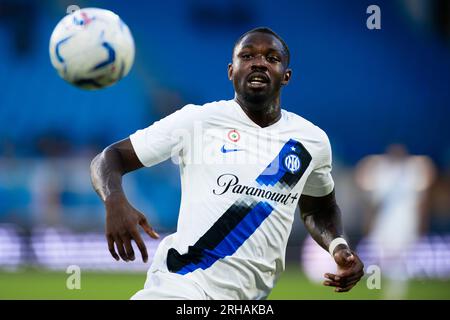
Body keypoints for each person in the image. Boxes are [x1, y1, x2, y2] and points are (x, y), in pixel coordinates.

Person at [90, 27, 364, 300]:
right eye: (247, 56)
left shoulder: (311, 141)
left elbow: (319, 209)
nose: (259, 62)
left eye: (272, 58)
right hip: (182, 287)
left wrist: (338, 246)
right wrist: (114, 200)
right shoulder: (198, 121)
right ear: (231, 71)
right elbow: (108, 159)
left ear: (286, 76)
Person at [355, 143, 435, 299]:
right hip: (384, 223)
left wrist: (422, 223)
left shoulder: (413, 173)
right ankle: (374, 285)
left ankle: (395, 291)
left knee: (399, 258)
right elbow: (373, 202)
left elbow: (423, 199)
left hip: (405, 223)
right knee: (377, 253)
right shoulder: (383, 174)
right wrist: (369, 221)